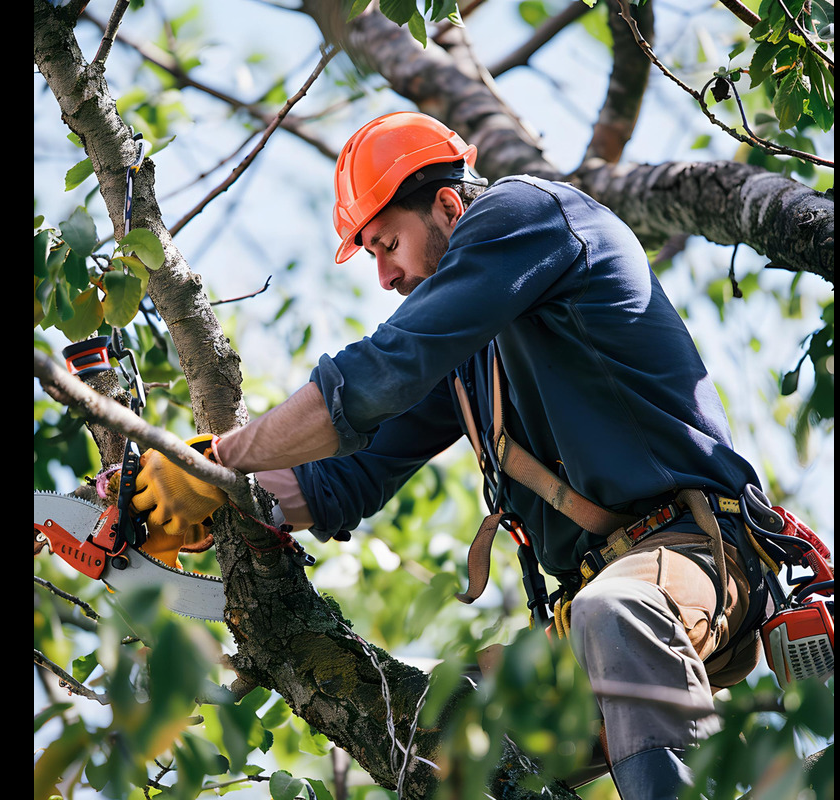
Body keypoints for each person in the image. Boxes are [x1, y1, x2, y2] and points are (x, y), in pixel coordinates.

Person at [132, 111, 773, 800]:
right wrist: (200, 492)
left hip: (696, 555)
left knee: (616, 614)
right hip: (590, 620)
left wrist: (224, 453)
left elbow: (378, 374)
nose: (383, 275)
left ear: (447, 204)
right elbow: (344, 478)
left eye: (388, 244)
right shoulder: (472, 358)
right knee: (435, 736)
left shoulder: (528, 213)